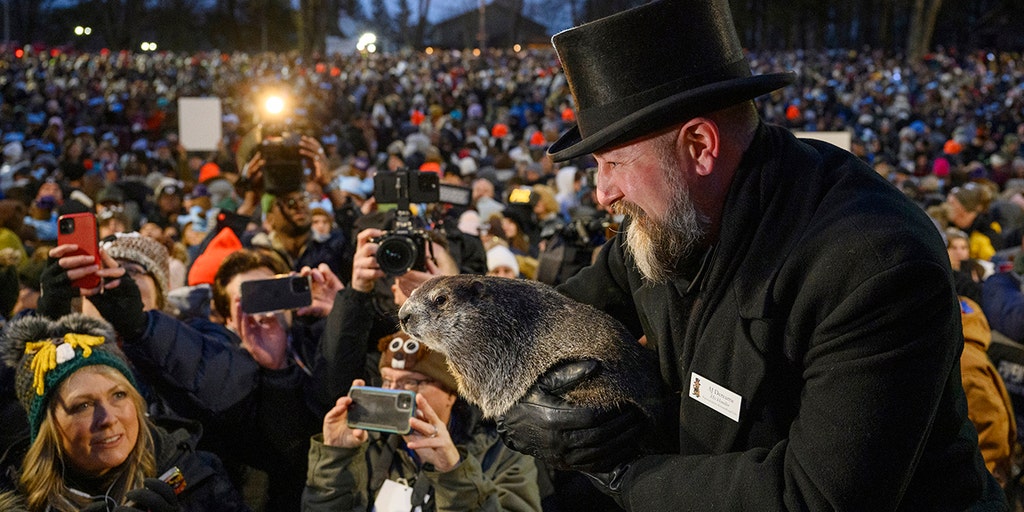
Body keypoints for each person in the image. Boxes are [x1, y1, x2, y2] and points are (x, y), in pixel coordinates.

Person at [494, 0, 1005, 510]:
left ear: (698, 146)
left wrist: (625, 474)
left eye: (614, 163)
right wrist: (501, 379)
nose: (602, 192)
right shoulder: (668, 221)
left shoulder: (875, 262)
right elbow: (551, 320)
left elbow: (817, 497)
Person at [304, 231, 542, 511]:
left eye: (414, 383)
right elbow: (333, 377)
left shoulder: (501, 448)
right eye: (388, 381)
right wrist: (336, 460)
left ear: (453, 392)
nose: (394, 393)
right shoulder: (371, 439)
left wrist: (453, 471)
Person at [0, 313, 248, 511]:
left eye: (119, 395)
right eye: (82, 406)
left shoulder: (195, 476)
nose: (108, 418)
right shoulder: (14, 496)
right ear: (46, 427)